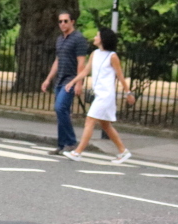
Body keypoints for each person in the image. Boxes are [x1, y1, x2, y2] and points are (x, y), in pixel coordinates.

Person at [62, 27, 135, 164]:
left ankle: (78, 152)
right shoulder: (95, 54)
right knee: (106, 125)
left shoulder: (112, 56)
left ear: (103, 39)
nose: (95, 38)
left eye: (97, 36)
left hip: (106, 95)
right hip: (98, 93)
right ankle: (123, 151)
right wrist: (73, 82)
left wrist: (128, 93)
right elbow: (86, 71)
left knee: (90, 120)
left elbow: (120, 76)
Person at [40, 10, 90, 155]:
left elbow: (82, 63)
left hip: (71, 80)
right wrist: (48, 79)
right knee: (62, 112)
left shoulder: (79, 39)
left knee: (60, 108)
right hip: (60, 80)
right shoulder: (60, 39)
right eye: (60, 21)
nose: (62, 24)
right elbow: (58, 60)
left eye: (65, 21)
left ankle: (71, 142)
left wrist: (79, 83)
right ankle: (62, 145)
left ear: (72, 22)